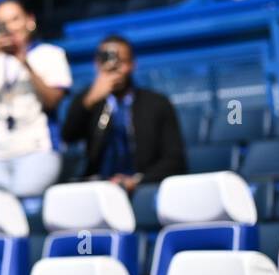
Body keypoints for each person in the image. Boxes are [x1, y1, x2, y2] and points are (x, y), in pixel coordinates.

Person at [0, 0, 71, 198]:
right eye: (2, 23)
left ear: (29, 20)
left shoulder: (50, 54)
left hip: (38, 147)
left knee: (21, 202)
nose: (9, 28)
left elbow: (53, 101)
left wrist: (24, 62)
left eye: (15, 19)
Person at [61, 35, 186, 191]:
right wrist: (89, 101)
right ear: (96, 64)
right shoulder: (87, 101)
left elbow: (175, 160)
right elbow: (68, 136)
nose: (113, 67)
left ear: (133, 64)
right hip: (98, 187)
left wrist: (138, 180)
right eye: (106, 60)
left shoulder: (157, 103)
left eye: (120, 61)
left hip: (144, 187)